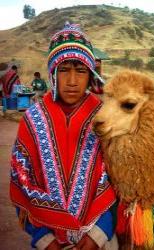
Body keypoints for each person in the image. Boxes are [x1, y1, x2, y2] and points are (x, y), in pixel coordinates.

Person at [10, 22, 117, 250]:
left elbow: (118, 179)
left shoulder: (104, 116)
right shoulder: (32, 119)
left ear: (90, 74)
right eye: (64, 69)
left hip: (98, 234)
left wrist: (98, 234)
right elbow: (22, 178)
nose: (71, 81)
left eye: (80, 71)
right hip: (47, 237)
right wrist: (44, 238)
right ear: (52, 72)